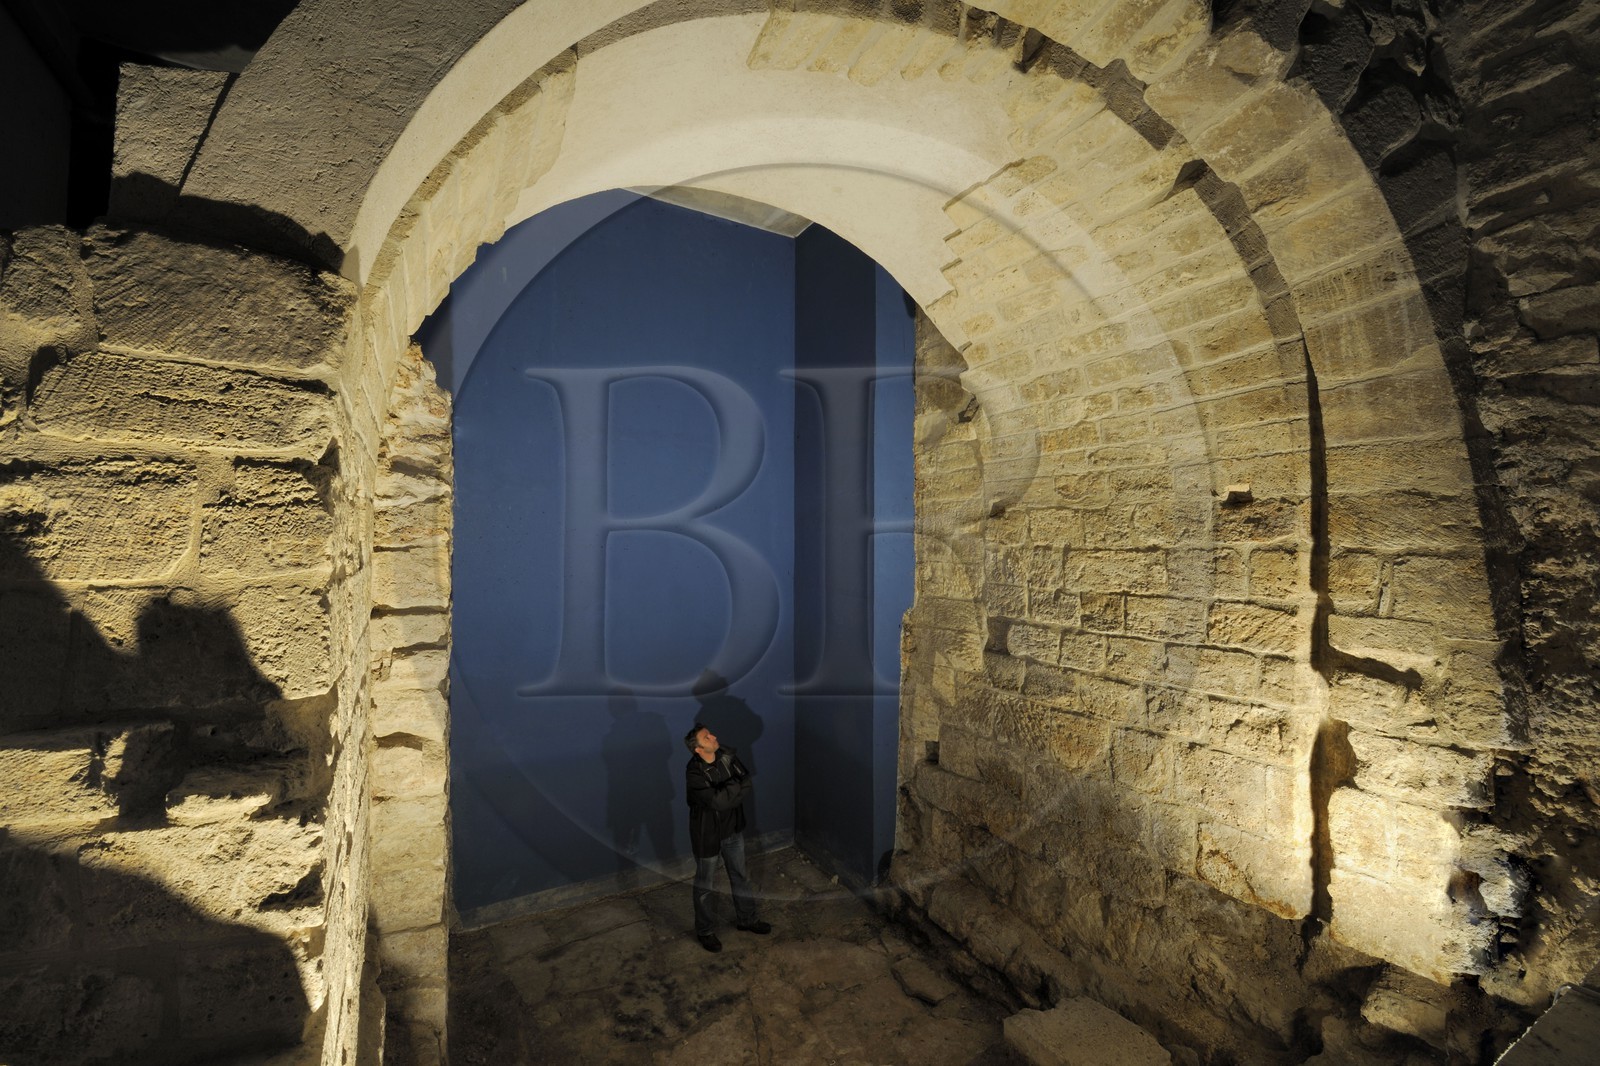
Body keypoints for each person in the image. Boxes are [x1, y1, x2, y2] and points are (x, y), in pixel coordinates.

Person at [683, 722, 771, 952]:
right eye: (706, 737)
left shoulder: (727, 755)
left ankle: (747, 919)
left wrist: (726, 792)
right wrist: (733, 788)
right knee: (704, 886)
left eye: (710, 734)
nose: (713, 737)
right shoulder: (694, 772)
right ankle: (705, 931)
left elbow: (747, 782)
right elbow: (717, 801)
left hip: (732, 829)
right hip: (707, 835)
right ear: (698, 750)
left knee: (740, 875)